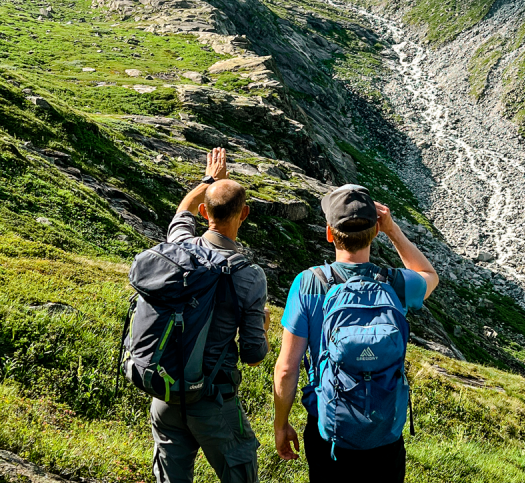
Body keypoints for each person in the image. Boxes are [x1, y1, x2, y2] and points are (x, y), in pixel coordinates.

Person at [272, 184, 439, 482]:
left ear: (329, 233)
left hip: (329, 430)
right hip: (385, 431)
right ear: (374, 232)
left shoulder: (309, 283)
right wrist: (394, 231)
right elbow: (430, 276)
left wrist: (281, 424)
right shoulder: (396, 284)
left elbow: (287, 368)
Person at [150, 147, 270, 483]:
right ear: (244, 213)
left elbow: (181, 212)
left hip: (166, 390)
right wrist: (263, 329)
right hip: (213, 400)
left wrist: (208, 180)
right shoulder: (249, 276)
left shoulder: (179, 247)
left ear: (204, 212)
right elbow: (253, 355)